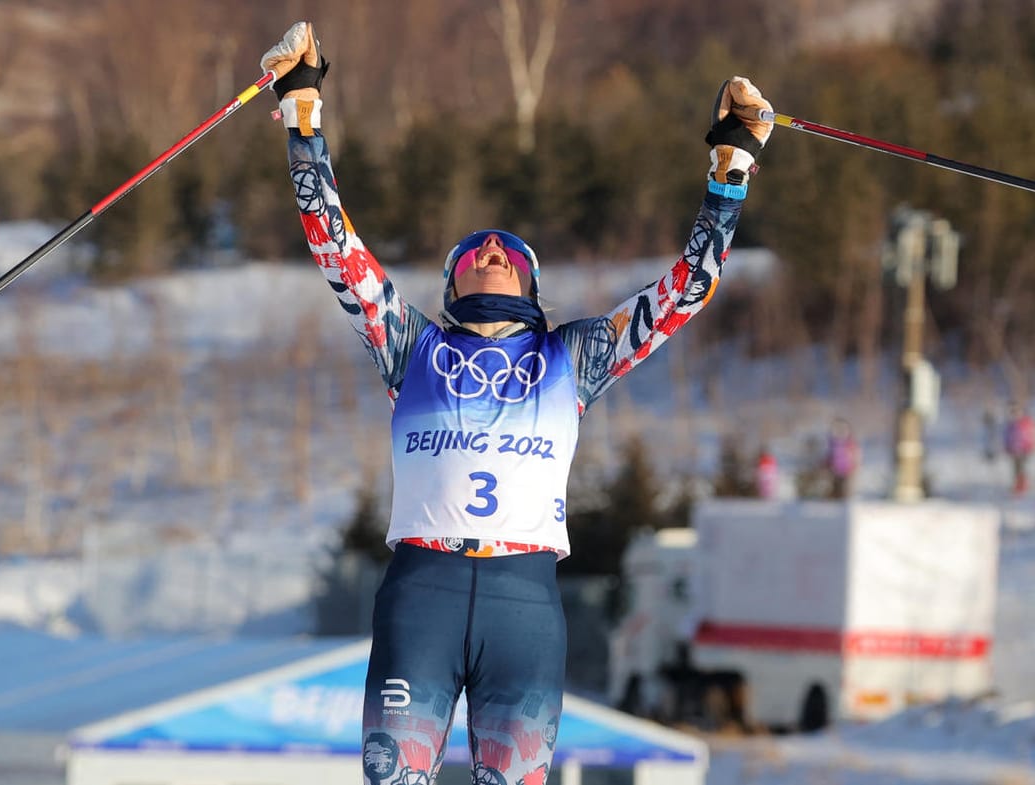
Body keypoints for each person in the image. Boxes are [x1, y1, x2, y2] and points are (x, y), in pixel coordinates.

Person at [262, 21, 772, 784]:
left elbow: (683, 292)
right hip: (421, 596)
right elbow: (335, 244)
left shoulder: (570, 356)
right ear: (452, 286)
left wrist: (731, 163)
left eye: (507, 251)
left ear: (532, 288)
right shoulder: (412, 345)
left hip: (522, 603)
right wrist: (302, 112)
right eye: (473, 252)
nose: (492, 251)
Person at [1003, 402, 1035, 496]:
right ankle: (1017, 485)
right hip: (1014, 450)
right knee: (1016, 468)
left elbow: (1031, 435)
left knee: (1022, 467)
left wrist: (1031, 445)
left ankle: (1022, 485)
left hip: (1024, 449)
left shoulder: (1026, 422)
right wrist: (1007, 446)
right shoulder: (1010, 424)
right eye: (1013, 412)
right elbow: (1007, 436)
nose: (1015, 414)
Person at [826, 418, 860, 499]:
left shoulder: (850, 443)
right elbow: (829, 455)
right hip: (834, 471)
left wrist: (855, 467)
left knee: (845, 492)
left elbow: (856, 455)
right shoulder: (832, 443)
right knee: (835, 491)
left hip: (847, 470)